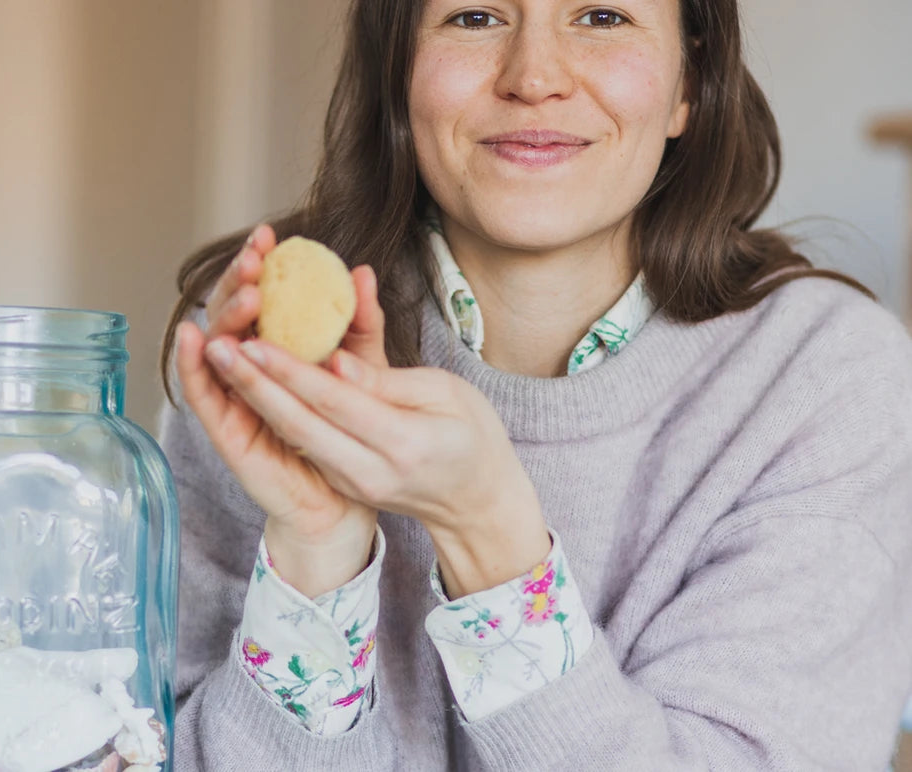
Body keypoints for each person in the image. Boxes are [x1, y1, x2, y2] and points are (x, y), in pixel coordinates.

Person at [159, 0, 912, 768]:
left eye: (603, 15)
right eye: (476, 16)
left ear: (691, 82)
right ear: (399, 70)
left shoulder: (826, 385)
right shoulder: (269, 362)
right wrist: (316, 549)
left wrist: (487, 531)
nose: (535, 76)